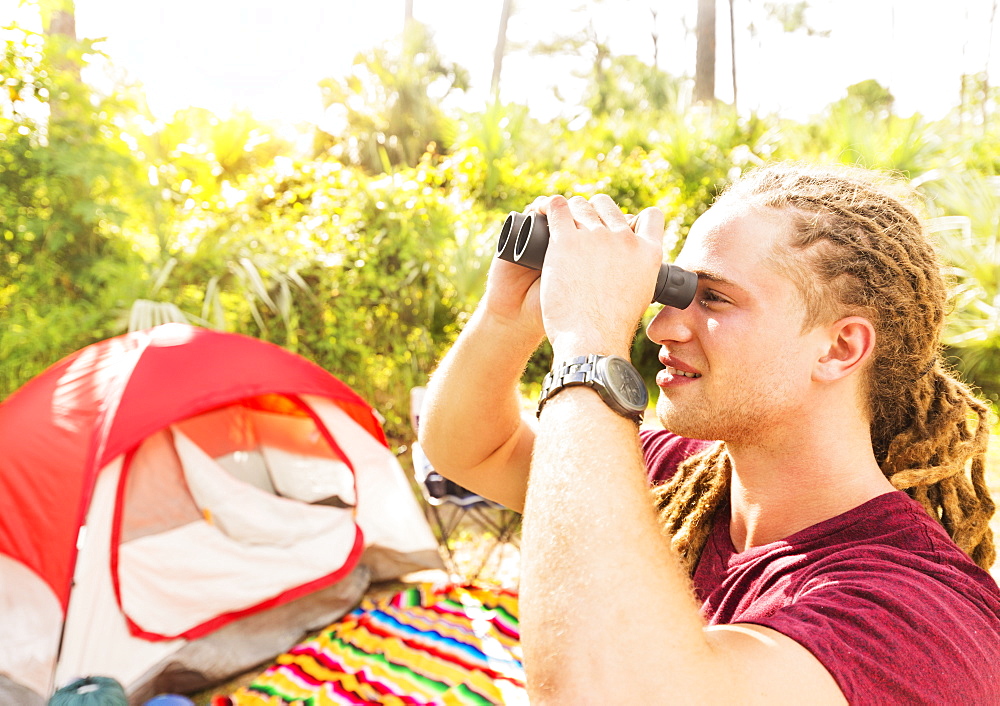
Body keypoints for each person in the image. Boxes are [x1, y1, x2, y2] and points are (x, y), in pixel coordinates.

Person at [418, 162, 1000, 704]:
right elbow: (471, 447)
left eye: (715, 298)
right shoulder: (681, 481)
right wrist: (507, 317)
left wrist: (588, 346)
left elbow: (607, 690)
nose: (661, 325)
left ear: (840, 348)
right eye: (674, 291)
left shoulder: (913, 615)